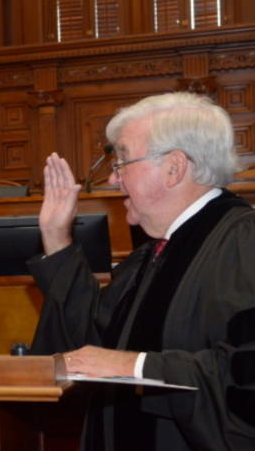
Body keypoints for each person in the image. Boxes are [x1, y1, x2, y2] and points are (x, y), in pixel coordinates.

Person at [29, 92, 255, 451]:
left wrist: (137, 367)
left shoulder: (243, 243)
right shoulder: (156, 252)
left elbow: (244, 377)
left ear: (174, 167)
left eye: (122, 163)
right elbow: (93, 343)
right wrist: (57, 237)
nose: (113, 181)